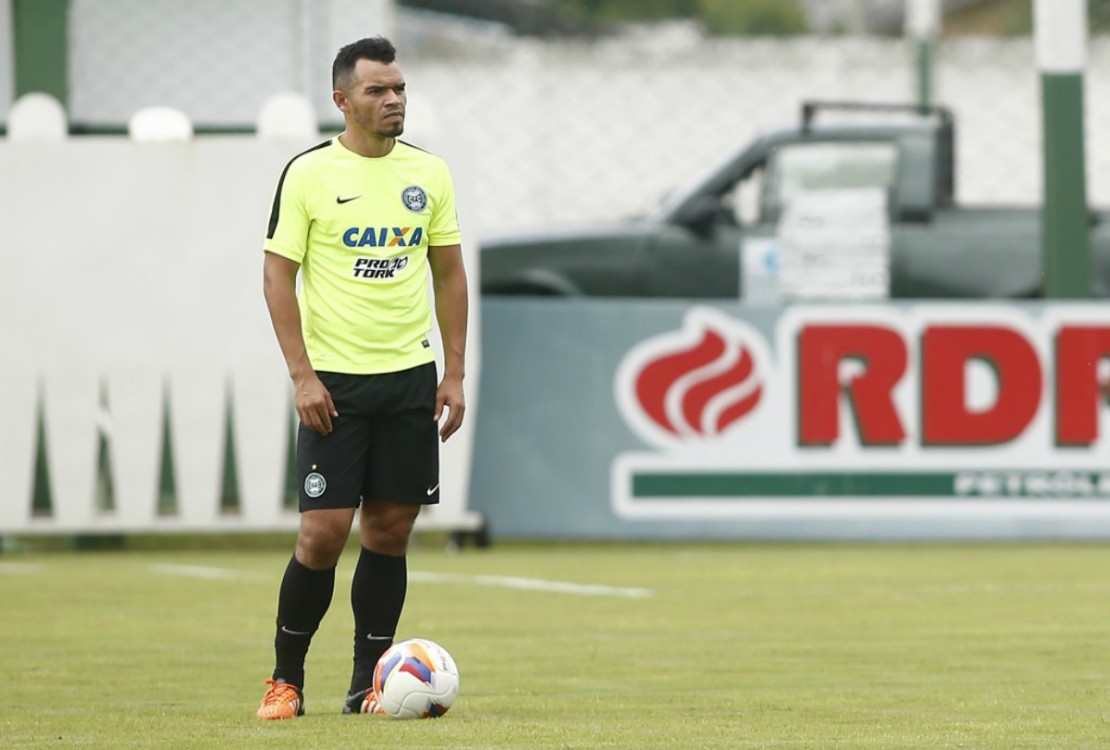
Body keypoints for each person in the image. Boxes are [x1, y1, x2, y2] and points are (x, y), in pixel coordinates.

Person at [255, 35, 468, 720]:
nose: (394, 100)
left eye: (399, 88)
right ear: (342, 100)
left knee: (390, 530)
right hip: (335, 384)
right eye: (378, 90)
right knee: (322, 530)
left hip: (409, 378)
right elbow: (277, 276)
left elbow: (448, 272)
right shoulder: (309, 174)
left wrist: (454, 371)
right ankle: (286, 682)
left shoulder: (430, 174)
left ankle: (366, 687)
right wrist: (302, 376)